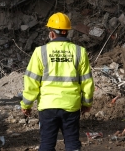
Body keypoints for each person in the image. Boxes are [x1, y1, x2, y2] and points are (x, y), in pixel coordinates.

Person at [20, 12, 94, 151]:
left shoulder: (40, 52)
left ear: (52, 34)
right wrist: (86, 103)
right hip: (71, 105)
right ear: (67, 32)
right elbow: (87, 82)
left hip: (47, 107)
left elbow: (31, 81)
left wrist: (26, 104)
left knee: (47, 144)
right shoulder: (79, 52)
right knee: (72, 142)